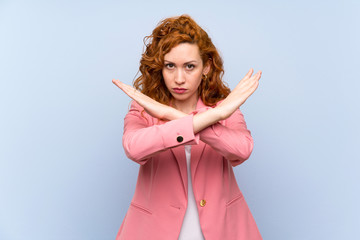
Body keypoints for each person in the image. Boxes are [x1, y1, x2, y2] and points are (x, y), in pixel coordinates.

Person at [112, 14, 262, 240]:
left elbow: (242, 150)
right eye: (170, 66)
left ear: (206, 67)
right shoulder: (144, 108)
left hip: (221, 230)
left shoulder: (223, 107)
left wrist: (179, 117)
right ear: (160, 69)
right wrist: (208, 118)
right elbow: (134, 148)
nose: (179, 78)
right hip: (155, 231)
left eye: (189, 66)